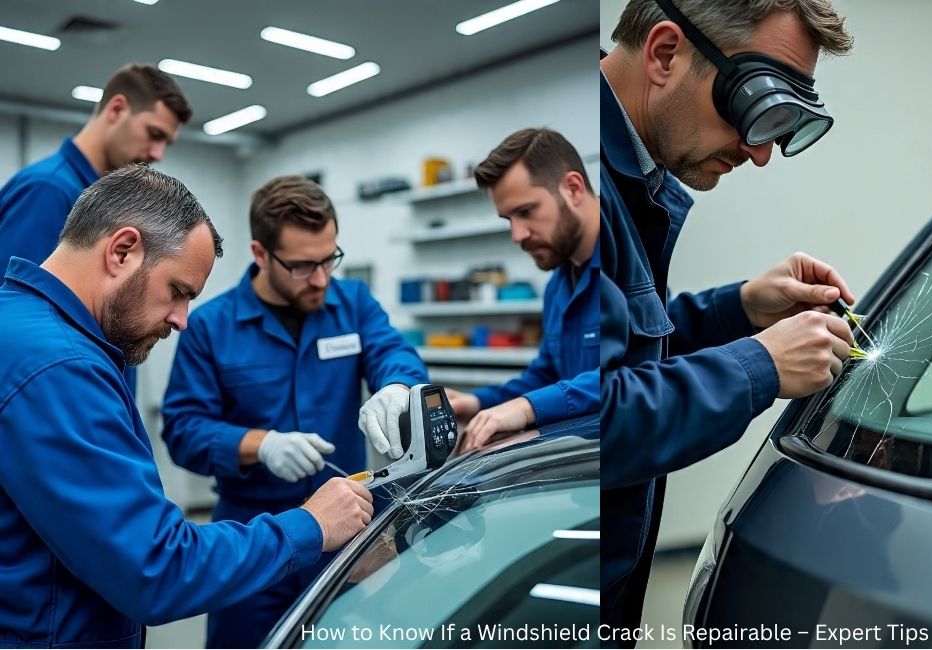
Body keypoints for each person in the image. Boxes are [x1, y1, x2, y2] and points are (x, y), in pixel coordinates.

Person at [0, 165, 372, 649]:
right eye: (178, 291)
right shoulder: (60, 367)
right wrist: (311, 524)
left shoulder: (20, 325)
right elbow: (156, 567)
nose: (181, 320)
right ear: (122, 251)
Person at [598, 0, 856, 638]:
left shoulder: (631, 183)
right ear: (665, 53)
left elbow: (622, 346)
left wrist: (738, 308)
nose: (759, 151)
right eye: (752, 102)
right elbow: (592, 419)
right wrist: (762, 364)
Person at [161, 174, 428, 648]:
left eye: (330, 259)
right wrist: (260, 446)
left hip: (349, 528)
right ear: (261, 254)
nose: (322, 278)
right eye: (305, 266)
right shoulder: (210, 327)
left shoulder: (354, 304)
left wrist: (398, 388)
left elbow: (395, 355)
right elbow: (183, 430)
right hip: (253, 539)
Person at [0, 62, 191, 396]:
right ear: (117, 109)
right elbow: (17, 322)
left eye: (166, 143)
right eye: (154, 134)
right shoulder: (48, 191)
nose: (157, 154)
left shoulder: (103, 203)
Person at [439, 128, 600, 452]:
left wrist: (526, 408)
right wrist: (475, 402)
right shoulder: (558, 286)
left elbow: (632, 370)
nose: (517, 234)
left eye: (526, 212)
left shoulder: (633, 263)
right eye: (507, 219)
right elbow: (546, 375)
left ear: (573, 188)